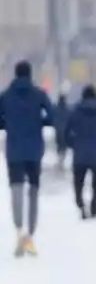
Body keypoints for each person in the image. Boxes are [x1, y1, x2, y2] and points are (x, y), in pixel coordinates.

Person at [0, 61, 55, 256]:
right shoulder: (39, 95)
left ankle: (18, 231)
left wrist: (9, 125)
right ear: (30, 74)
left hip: (14, 149)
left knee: (16, 189)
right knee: (33, 190)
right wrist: (40, 122)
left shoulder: (5, 95)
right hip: (34, 150)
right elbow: (53, 116)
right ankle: (30, 235)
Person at [64, 84, 96, 219]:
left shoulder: (75, 111)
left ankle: (81, 204)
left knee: (78, 182)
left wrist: (73, 145)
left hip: (79, 153)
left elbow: (66, 131)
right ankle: (94, 205)